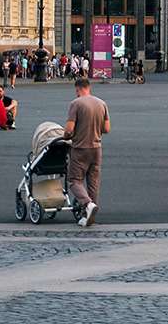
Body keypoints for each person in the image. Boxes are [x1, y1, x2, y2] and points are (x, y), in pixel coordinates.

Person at [64, 77, 110, 227]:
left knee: (74, 180)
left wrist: (66, 135)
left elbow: (69, 129)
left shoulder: (75, 104)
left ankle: (88, 205)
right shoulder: (102, 103)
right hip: (97, 148)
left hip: (80, 148)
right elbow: (107, 129)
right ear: (89, 87)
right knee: (93, 182)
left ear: (78, 89)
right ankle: (90, 215)